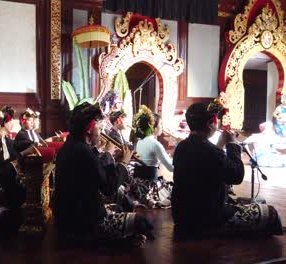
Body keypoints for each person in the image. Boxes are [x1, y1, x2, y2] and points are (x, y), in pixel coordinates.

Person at [172, 102, 283, 236]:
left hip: (183, 216)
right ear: (211, 123)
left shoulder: (181, 147)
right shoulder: (211, 151)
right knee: (270, 214)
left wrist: (220, 144)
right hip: (208, 218)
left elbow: (209, 163)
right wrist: (232, 145)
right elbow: (237, 176)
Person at [54, 102, 153, 243]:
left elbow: (98, 174)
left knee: (119, 207)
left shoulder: (73, 146)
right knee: (140, 222)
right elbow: (108, 187)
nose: (101, 132)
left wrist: (116, 160)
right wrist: (124, 163)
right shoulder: (83, 151)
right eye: (99, 127)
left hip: (70, 220)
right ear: (89, 128)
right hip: (83, 224)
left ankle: (121, 238)